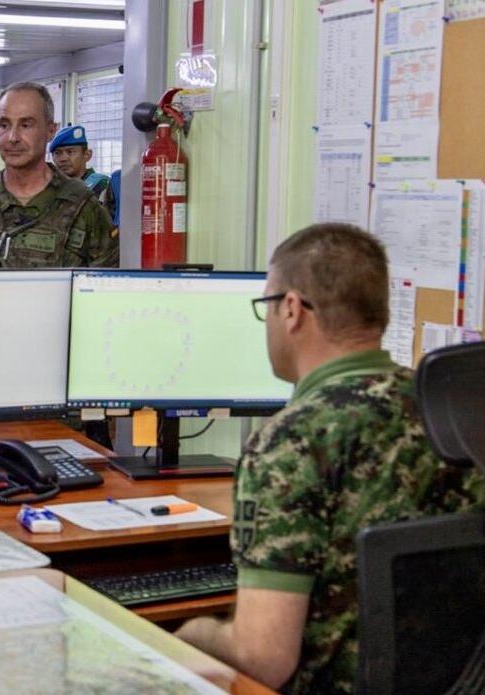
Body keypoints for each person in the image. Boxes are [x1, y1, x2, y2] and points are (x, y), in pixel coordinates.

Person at [174, 223, 484, 693]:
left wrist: (194, 633)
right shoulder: (455, 415)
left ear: (293, 311)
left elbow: (263, 659)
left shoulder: (292, 441)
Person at [0, 82, 117, 268]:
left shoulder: (84, 208)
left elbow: (106, 289)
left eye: (26, 125)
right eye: (4, 125)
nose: (12, 137)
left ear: (50, 131)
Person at [49, 124, 117, 223]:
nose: (63, 159)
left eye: (70, 152)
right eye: (57, 153)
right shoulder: (50, 188)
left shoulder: (102, 185)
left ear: (87, 155)